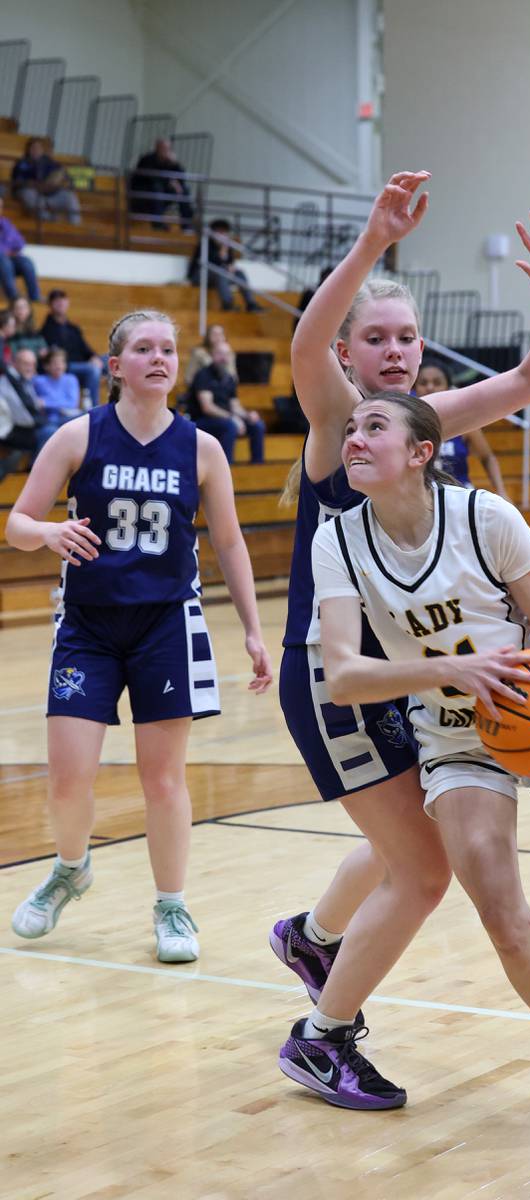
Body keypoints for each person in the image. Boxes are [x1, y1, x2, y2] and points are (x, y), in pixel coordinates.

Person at [267, 172, 530, 1119]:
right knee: (425, 868)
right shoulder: (340, 424)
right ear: (350, 356)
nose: (399, 351)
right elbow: (302, 343)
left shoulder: (432, 439)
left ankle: (316, 936)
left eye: (409, 337)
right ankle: (323, 1023)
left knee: (419, 853)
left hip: (439, 686)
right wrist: (373, 240)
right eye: (377, 337)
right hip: (343, 680)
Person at [291, 389, 530, 1155]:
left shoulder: (486, 518)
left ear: (421, 451)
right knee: (504, 919)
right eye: (350, 427)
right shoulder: (340, 541)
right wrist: (455, 671)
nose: (354, 437)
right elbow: (344, 674)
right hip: (455, 741)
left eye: (374, 426)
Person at [6, 309, 272, 962]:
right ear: (116, 365)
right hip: (88, 627)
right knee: (69, 780)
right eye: (144, 349)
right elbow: (17, 521)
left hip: (165, 625)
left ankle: (171, 905)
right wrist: (47, 534)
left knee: (163, 780)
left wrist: (256, 631)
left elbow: (231, 543)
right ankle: (72, 869)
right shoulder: (77, 436)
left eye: (168, 349)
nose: (160, 358)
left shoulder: (202, 447)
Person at [416, 356, 510, 498]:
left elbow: (487, 457)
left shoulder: (463, 422)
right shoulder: (408, 424)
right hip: (423, 498)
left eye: (437, 382)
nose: (430, 387)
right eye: (423, 383)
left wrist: (501, 491)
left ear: (448, 387)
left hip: (460, 496)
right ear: (415, 388)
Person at [186, 341, 265, 463]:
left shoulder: (229, 378)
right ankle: (227, 468)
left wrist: (247, 415)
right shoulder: (203, 375)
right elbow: (207, 407)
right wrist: (232, 418)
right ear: (212, 355)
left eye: (226, 354)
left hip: (225, 418)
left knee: (257, 425)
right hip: (202, 420)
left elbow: (234, 405)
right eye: (220, 354)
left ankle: (258, 467)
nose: (223, 358)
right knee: (230, 426)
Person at [40, 290, 104, 407]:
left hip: (82, 363)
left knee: (113, 359)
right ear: (50, 304)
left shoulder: (73, 328)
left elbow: (85, 348)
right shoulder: (46, 329)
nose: (60, 302)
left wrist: (94, 357)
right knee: (93, 370)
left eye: (63, 299)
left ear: (67, 302)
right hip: (67, 366)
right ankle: (94, 409)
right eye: (56, 300)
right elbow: (54, 356)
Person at [187, 219, 262, 311]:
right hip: (200, 275)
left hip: (220, 276)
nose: (223, 235)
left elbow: (229, 263)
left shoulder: (227, 246)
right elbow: (210, 263)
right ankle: (228, 304)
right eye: (220, 232)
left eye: (224, 232)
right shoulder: (205, 244)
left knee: (239, 273)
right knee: (221, 272)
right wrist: (222, 253)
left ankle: (251, 304)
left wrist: (230, 267)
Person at [0, 348, 48, 479]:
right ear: (14, 364)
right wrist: (42, 421)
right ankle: (35, 472)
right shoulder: (9, 382)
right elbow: (25, 419)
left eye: (33, 364)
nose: (30, 368)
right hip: (9, 431)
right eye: (26, 364)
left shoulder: (25, 381)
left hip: (18, 429)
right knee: (49, 431)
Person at [11, 138, 81, 225]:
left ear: (42, 150)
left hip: (50, 195)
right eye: (33, 148)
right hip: (34, 194)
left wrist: (59, 182)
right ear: (28, 150)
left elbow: (65, 177)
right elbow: (18, 183)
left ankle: (76, 227)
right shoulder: (21, 163)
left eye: (39, 148)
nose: (36, 150)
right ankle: (49, 221)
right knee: (28, 194)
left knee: (69, 196)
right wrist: (38, 185)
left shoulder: (50, 162)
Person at [130, 139, 194, 232]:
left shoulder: (170, 162)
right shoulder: (147, 159)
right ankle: (158, 224)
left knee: (185, 189)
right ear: (157, 148)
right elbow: (150, 178)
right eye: (163, 148)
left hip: (162, 194)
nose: (166, 151)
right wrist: (169, 182)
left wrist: (176, 164)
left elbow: (181, 179)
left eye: (168, 148)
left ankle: (187, 226)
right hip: (142, 194)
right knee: (156, 188)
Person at [34, 347, 83, 440]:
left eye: (62, 362)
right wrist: (61, 402)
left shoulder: (71, 379)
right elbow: (37, 404)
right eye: (55, 363)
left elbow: (72, 404)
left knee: (91, 414)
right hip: (50, 420)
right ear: (46, 366)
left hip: (70, 417)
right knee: (49, 430)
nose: (59, 366)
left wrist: (47, 402)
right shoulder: (39, 381)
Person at [0, 195, 42, 302]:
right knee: (3, 261)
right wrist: (5, 252)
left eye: (1, 206)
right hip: (3, 259)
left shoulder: (6, 223)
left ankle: (35, 296)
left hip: (9, 257)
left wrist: (10, 251)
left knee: (26, 262)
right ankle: (14, 297)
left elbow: (20, 242)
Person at [184, 323, 237, 390]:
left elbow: (233, 377)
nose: (218, 337)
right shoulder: (198, 353)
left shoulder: (230, 354)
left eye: (221, 334)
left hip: (223, 391)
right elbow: (188, 378)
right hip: (202, 390)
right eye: (214, 334)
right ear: (208, 337)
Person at [8, 296, 47, 361]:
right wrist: (37, 353)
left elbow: (44, 349)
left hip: (36, 367)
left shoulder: (35, 331)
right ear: (12, 310)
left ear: (29, 310)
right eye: (17, 307)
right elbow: (12, 354)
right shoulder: (9, 332)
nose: (21, 310)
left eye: (24, 307)